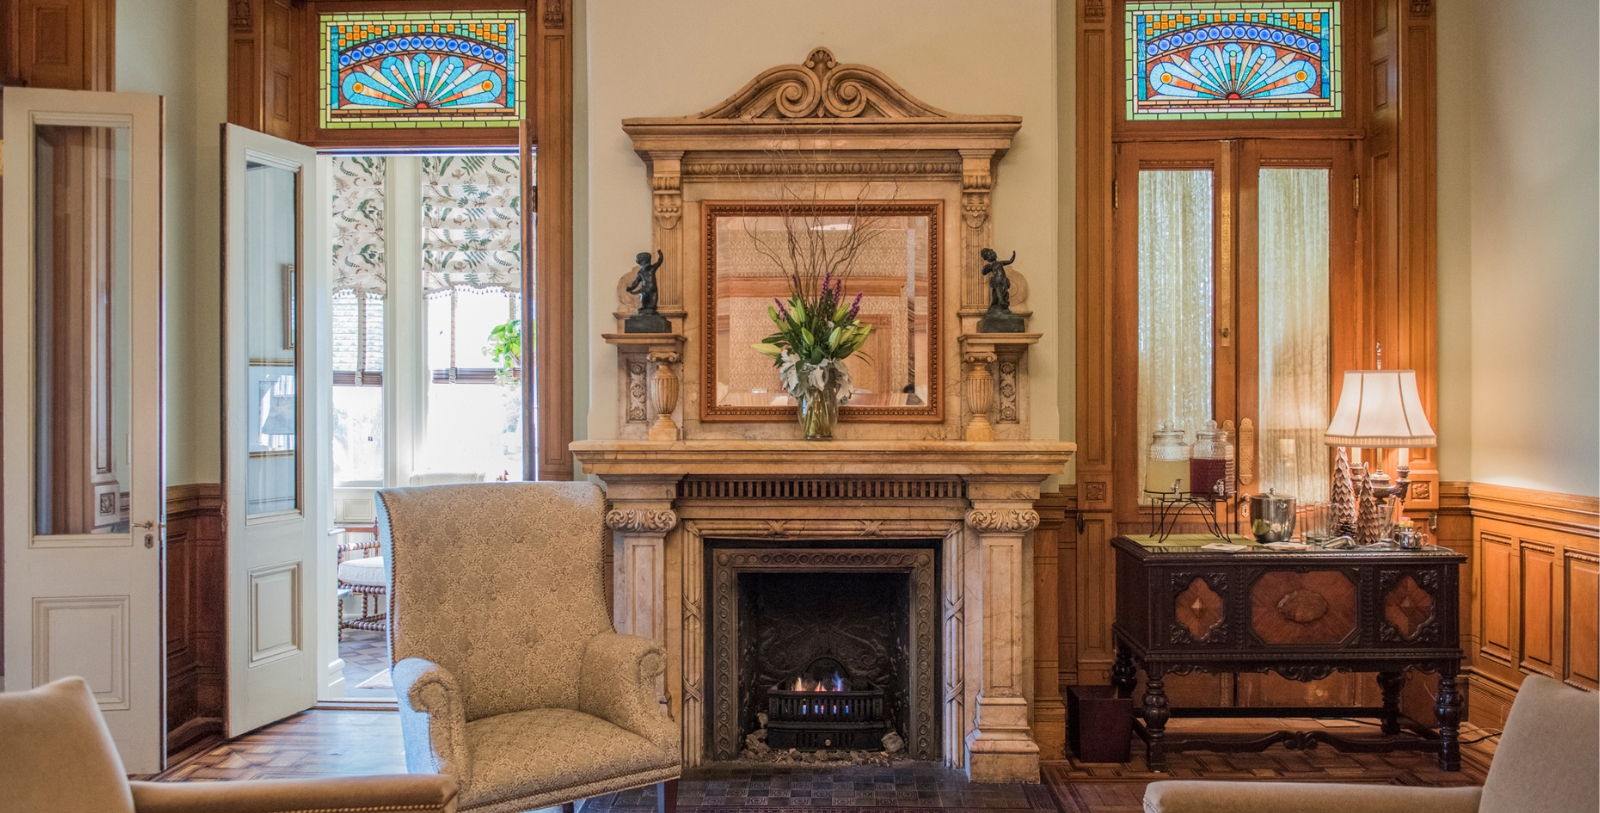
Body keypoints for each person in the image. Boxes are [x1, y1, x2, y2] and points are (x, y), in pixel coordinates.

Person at [627, 249, 665, 315]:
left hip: (653, 290)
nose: (647, 264)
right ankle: (644, 309)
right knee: (644, 298)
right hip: (645, 289)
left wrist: (661, 255)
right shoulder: (641, 272)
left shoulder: (652, 268)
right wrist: (631, 288)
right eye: (646, 262)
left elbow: (659, 262)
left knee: (652, 306)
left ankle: (648, 311)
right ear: (641, 263)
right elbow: (636, 282)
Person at [980, 248, 1016, 312]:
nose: (992, 255)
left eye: (992, 253)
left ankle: (1002, 303)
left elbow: (1010, 261)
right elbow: (983, 272)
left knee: (1004, 291)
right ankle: (1001, 301)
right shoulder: (991, 266)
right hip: (996, 280)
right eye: (990, 255)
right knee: (998, 290)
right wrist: (985, 268)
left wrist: (1014, 255)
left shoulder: (1001, 263)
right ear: (987, 258)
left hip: (1003, 280)